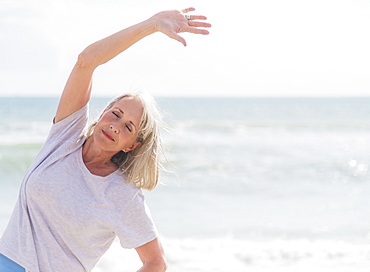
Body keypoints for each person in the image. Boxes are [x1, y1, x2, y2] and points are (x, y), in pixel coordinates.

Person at [0, 7, 211, 272]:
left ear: (132, 145)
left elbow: (155, 263)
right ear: (102, 114)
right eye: (115, 114)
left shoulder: (121, 194)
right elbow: (86, 60)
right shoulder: (64, 138)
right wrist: (152, 24)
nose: (115, 126)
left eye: (128, 127)